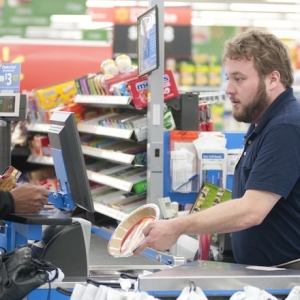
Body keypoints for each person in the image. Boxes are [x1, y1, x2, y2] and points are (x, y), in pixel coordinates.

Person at [134, 28, 300, 267]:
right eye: (228, 79)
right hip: (266, 273)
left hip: (287, 279)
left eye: (239, 79)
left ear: (273, 79)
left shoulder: (286, 127)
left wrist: (177, 226)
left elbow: (252, 210)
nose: (229, 89)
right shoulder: (263, 123)